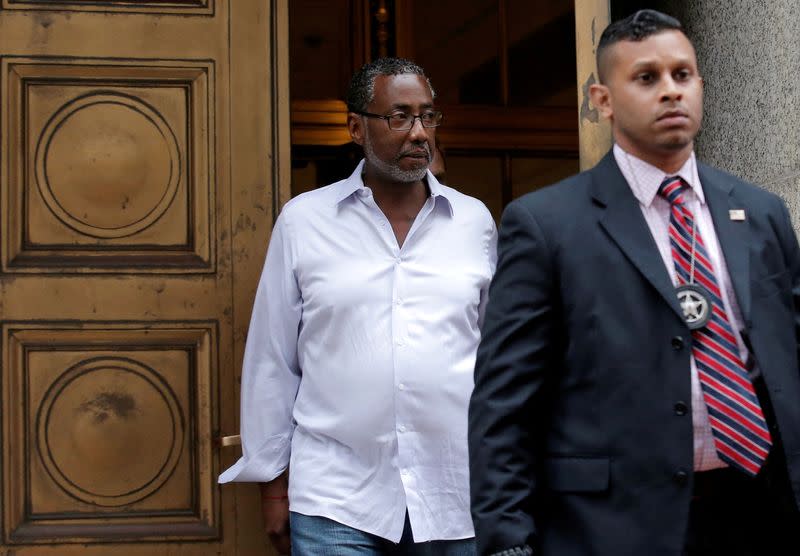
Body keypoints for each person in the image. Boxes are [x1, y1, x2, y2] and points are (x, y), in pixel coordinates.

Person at [468, 9, 800, 556]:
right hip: (611, 526)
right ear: (602, 100)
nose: (670, 92)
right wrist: (507, 541)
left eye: (682, 75)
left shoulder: (760, 213)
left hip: (757, 511)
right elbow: (504, 406)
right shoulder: (547, 225)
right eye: (646, 78)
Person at [220, 57, 497, 556]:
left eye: (428, 117)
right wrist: (274, 489)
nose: (418, 133)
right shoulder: (304, 221)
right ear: (355, 127)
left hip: (456, 495)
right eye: (399, 117)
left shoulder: (473, 222)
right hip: (336, 499)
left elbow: (497, 357)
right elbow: (272, 362)